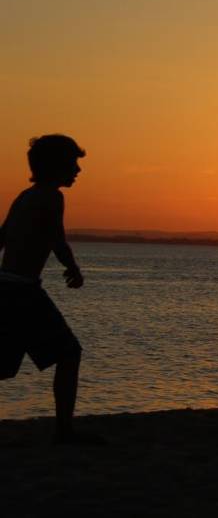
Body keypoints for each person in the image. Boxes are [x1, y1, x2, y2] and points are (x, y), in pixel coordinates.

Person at [0, 135, 100, 444]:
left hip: (7, 288)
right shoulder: (51, 197)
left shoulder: (24, 196)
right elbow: (57, 239)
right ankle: (64, 431)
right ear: (55, 166)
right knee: (69, 353)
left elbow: (1, 237)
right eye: (73, 164)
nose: (77, 170)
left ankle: (64, 430)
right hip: (22, 292)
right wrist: (73, 268)